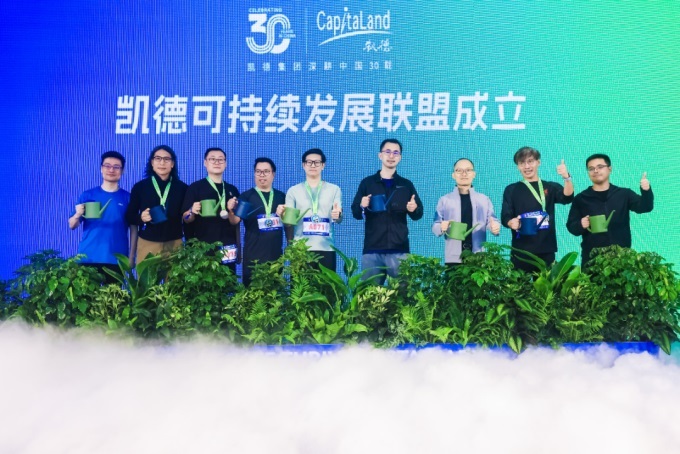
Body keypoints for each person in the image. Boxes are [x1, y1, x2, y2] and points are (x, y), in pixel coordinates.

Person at [351, 138, 423, 285]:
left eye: (396, 153)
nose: (391, 156)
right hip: (372, 250)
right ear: (380, 155)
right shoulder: (367, 183)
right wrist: (362, 205)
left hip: (399, 250)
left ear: (400, 157)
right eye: (388, 152)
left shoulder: (406, 185)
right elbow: (355, 212)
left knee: (403, 294)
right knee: (369, 295)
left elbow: (418, 214)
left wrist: (414, 209)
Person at [566, 153, 653, 265]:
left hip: (622, 258)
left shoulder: (624, 194)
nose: (595, 171)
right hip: (592, 260)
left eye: (600, 167)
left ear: (610, 169)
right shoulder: (581, 198)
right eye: (591, 169)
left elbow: (645, 207)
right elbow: (571, 227)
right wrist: (581, 224)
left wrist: (646, 190)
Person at [501, 146, 574, 273]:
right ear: (518, 166)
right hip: (521, 250)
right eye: (522, 163)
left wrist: (566, 177)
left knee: (546, 285)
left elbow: (567, 197)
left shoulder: (550, 187)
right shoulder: (511, 189)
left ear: (538, 162)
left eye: (530, 161)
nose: (527, 166)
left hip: (546, 249)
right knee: (519, 285)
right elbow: (505, 216)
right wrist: (510, 222)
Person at [69, 151, 137, 281]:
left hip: (116, 259)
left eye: (116, 167)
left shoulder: (128, 198)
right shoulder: (88, 195)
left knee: (114, 295)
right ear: (101, 169)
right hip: (88, 257)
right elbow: (72, 225)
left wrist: (132, 256)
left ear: (122, 171)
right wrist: (77, 214)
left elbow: (134, 229)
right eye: (107, 166)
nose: (111, 170)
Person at [281, 148, 342, 272]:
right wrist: (283, 216)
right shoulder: (293, 191)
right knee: (300, 285)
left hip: (326, 248)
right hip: (301, 249)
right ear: (303, 165)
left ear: (323, 165)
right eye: (309, 162)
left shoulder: (334, 189)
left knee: (326, 285)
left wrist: (338, 216)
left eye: (317, 162)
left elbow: (338, 218)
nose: (313, 165)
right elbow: (288, 223)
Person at [182, 148, 241, 274]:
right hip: (202, 248)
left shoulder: (232, 190)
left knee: (228, 282)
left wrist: (231, 210)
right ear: (205, 163)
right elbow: (186, 219)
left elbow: (235, 222)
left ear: (225, 163)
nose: (217, 162)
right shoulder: (195, 188)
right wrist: (192, 211)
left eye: (220, 159)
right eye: (212, 159)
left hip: (227, 248)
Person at [432, 158, 500, 266]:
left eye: (468, 170)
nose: (464, 174)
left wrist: (494, 227)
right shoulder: (445, 200)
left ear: (474, 174)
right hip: (453, 258)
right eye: (459, 170)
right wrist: (441, 227)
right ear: (453, 175)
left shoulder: (484, 199)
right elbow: (435, 226)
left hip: (478, 256)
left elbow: (492, 221)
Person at [126, 145, 188, 262]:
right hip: (147, 242)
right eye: (158, 158)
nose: (162, 163)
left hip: (174, 243)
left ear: (172, 164)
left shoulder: (183, 188)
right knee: (146, 275)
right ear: (152, 163)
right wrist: (141, 218)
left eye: (166, 159)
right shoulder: (140, 187)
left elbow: (187, 219)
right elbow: (129, 217)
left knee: (175, 275)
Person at [235, 158, 288, 286]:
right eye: (258, 171)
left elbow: (288, 225)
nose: (262, 175)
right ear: (254, 174)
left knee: (275, 294)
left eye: (266, 171)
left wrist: (290, 244)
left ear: (273, 174)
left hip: (276, 257)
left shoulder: (282, 197)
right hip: (253, 257)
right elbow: (235, 222)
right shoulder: (246, 196)